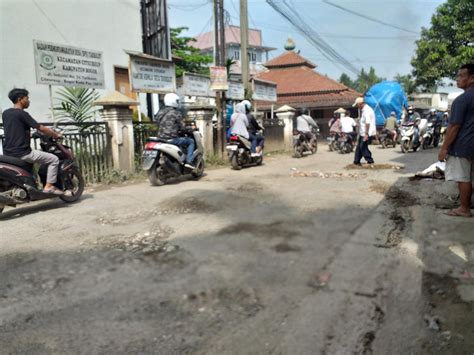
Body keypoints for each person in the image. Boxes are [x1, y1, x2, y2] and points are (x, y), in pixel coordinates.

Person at [2, 88, 63, 194]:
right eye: (27, 98)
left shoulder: (6, 113)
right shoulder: (22, 114)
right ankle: (49, 186)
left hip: (8, 152)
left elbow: (15, 129)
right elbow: (41, 128)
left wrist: (29, 136)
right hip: (23, 153)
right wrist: (56, 134)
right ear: (20, 99)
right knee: (53, 159)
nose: (29, 101)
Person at [438, 63, 474, 217]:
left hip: (463, 145)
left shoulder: (462, 100)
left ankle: (464, 208)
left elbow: (454, 126)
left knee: (463, 178)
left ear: (472, 78)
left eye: (461, 76)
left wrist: (444, 148)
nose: (457, 79)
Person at [155, 93, 195, 169]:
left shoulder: (160, 112)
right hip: (171, 139)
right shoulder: (176, 113)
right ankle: (189, 161)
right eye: (177, 101)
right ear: (173, 101)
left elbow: (157, 123)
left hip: (160, 138)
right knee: (190, 141)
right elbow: (182, 127)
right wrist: (191, 128)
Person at [352, 97, 376, 165]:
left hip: (366, 132)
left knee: (363, 147)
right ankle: (356, 161)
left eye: (357, 105)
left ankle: (370, 160)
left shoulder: (367, 111)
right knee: (359, 147)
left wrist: (366, 134)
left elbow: (367, 123)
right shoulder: (363, 110)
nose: (357, 107)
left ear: (360, 104)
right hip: (362, 132)